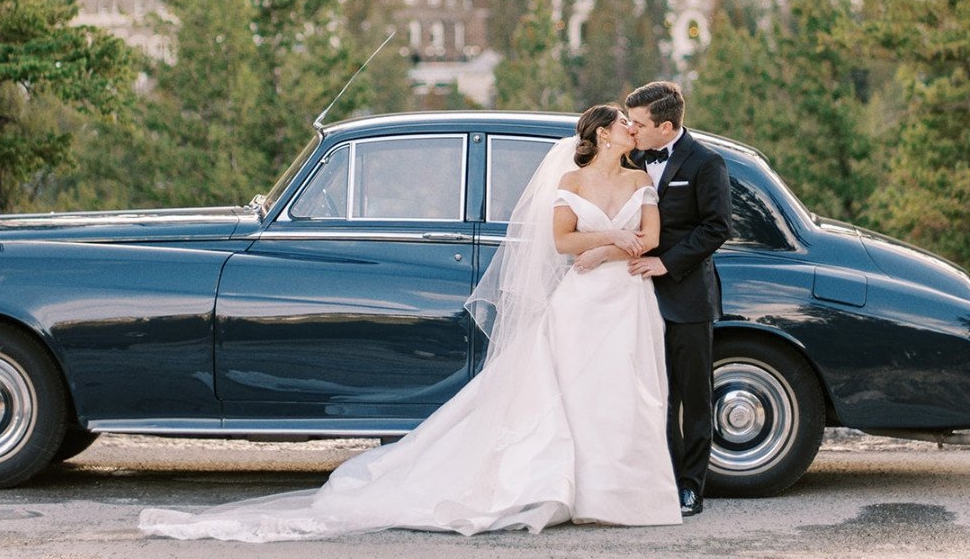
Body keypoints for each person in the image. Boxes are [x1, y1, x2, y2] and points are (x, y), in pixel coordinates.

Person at [139, 105, 682, 541]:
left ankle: (619, 491)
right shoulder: (574, 177)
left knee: (622, 393)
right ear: (604, 134)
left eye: (634, 126)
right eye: (624, 124)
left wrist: (608, 249)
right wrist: (611, 242)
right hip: (589, 295)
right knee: (573, 393)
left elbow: (646, 238)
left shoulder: (638, 180)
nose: (632, 131)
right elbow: (565, 240)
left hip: (623, 296)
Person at [624, 80, 733, 517]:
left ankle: (690, 486)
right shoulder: (630, 157)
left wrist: (666, 263)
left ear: (666, 127)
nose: (631, 130)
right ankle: (659, 479)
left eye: (638, 124)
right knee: (654, 393)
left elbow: (717, 227)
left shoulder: (707, 163)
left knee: (692, 395)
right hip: (634, 294)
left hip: (686, 296)